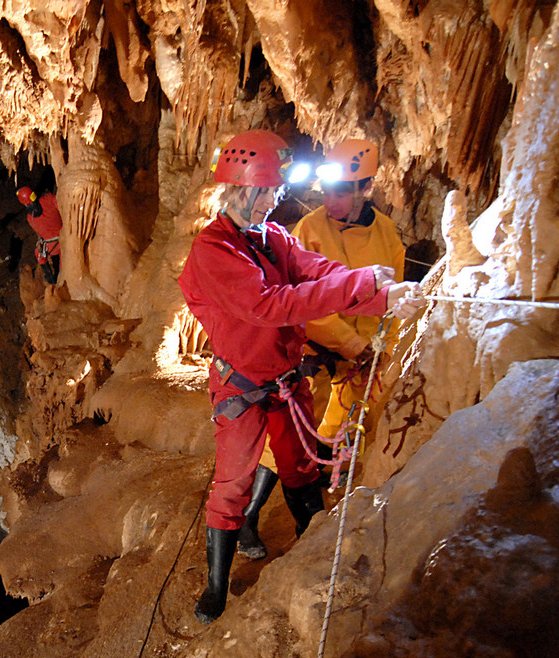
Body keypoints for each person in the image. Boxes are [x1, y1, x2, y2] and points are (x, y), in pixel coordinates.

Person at [177, 129, 423, 624]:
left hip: (288, 384)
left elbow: (314, 270)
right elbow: (269, 305)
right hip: (242, 388)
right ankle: (216, 586)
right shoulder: (215, 251)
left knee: (302, 472)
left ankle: (312, 553)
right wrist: (360, 284)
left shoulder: (272, 238)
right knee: (232, 486)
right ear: (241, 187)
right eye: (265, 190)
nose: (273, 200)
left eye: (274, 191)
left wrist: (384, 298)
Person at [293, 138, 406, 446]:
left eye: (340, 193)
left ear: (366, 188)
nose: (330, 202)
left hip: (366, 356)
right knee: (301, 431)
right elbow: (300, 300)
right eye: (326, 192)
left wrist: (386, 348)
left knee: (354, 429)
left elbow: (393, 302)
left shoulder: (386, 234)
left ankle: (338, 481)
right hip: (316, 351)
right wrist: (348, 341)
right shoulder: (309, 230)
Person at [17, 186, 61, 284]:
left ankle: (50, 277)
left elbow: (40, 233)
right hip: (64, 237)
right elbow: (61, 204)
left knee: (39, 254)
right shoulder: (48, 199)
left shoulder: (30, 218)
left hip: (52, 246)